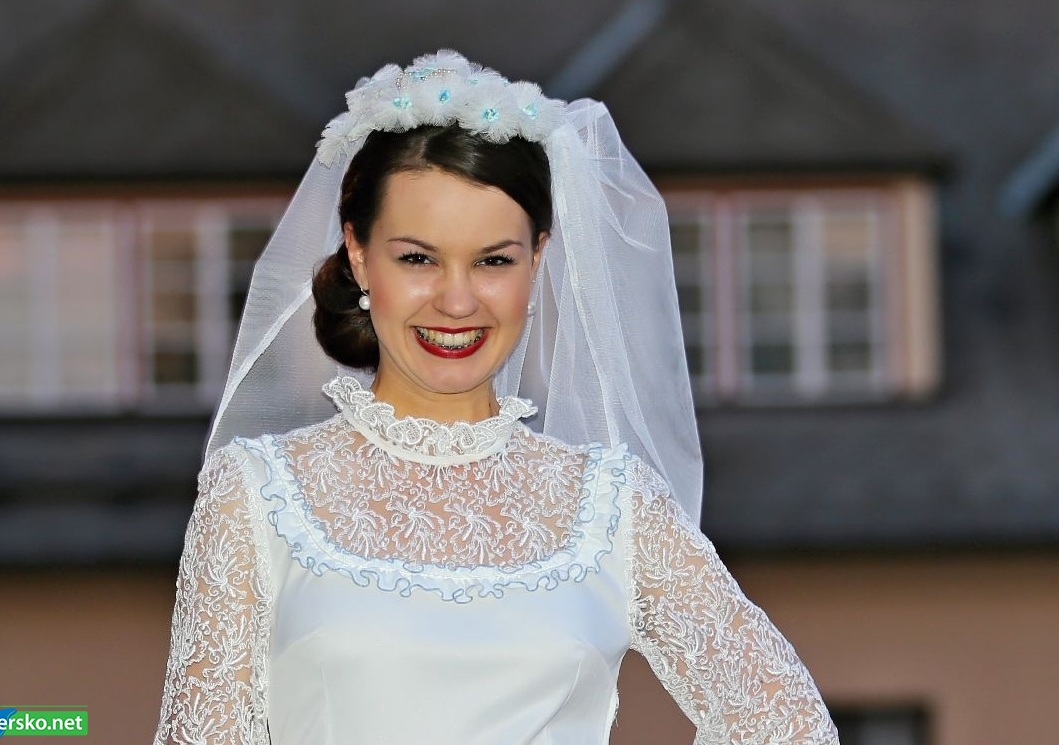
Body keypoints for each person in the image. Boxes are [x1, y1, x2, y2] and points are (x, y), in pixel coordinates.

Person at [153, 51, 840, 744]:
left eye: (493, 261)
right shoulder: (255, 495)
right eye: (417, 258)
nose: (457, 301)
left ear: (537, 258)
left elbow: (788, 725)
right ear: (358, 255)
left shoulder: (614, 505)